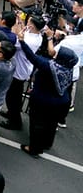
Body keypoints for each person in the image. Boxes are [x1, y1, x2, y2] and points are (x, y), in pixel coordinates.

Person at [17, 23, 77, 157]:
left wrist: (22, 41)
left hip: (43, 101)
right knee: (51, 125)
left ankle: (34, 148)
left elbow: (32, 57)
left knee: (37, 124)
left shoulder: (49, 67)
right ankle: (47, 143)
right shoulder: (67, 68)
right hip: (61, 103)